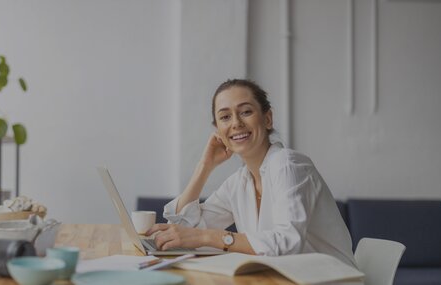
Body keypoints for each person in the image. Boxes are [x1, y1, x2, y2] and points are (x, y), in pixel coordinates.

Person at [145, 79, 356, 267]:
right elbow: (182, 233)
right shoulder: (240, 182)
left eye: (246, 111)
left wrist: (208, 237)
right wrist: (204, 167)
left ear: (267, 119)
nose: (236, 123)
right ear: (218, 131)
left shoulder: (287, 165)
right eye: (225, 117)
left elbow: (287, 243)